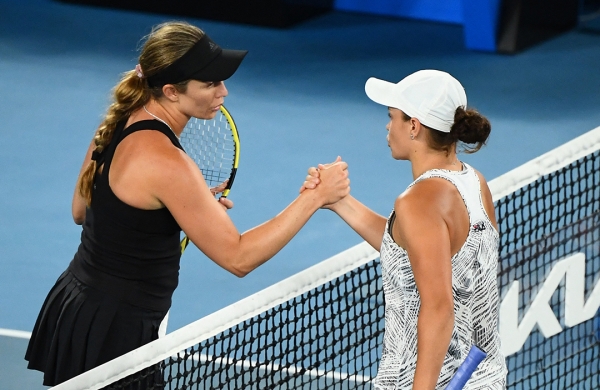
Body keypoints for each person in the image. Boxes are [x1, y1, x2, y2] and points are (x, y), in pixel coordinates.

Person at [25, 21, 350, 387]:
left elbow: (81, 211)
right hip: (116, 332)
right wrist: (315, 197)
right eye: (210, 83)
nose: (224, 91)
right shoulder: (168, 163)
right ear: (171, 92)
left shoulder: (119, 121)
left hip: (80, 306)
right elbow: (239, 258)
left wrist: (173, 209)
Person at [303, 70, 507, 389]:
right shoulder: (473, 181)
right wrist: (340, 201)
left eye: (392, 116)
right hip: (486, 380)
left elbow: (438, 310)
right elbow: (417, 250)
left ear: (413, 126)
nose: (388, 126)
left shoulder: (417, 202)